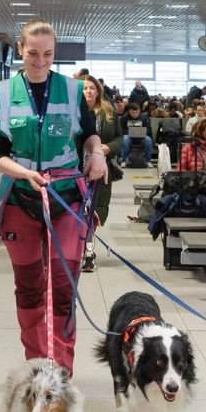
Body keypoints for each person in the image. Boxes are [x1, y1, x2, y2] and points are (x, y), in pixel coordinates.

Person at [0, 18, 106, 373]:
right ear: (21, 50)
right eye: (33, 53)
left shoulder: (72, 90)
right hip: (21, 200)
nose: (40, 60)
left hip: (66, 199)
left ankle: (62, 372)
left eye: (48, 54)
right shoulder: (2, 93)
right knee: (28, 287)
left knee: (63, 287)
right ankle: (36, 367)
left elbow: (88, 133)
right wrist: (25, 173)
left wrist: (97, 152)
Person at [82, 76, 118, 272]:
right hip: (74, 170)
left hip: (100, 172)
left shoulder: (108, 112)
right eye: (85, 88)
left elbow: (121, 138)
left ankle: (88, 253)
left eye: (92, 88)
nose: (88, 91)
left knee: (92, 213)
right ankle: (80, 251)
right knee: (75, 212)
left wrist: (109, 147)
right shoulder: (70, 111)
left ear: (98, 91)